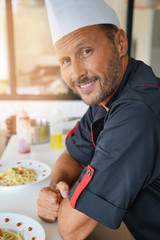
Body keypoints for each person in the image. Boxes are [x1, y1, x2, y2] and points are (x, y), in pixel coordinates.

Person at [37, 0, 160, 239]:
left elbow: (71, 229)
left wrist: (64, 204)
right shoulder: (109, 90)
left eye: (85, 51)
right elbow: (72, 155)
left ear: (120, 43)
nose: (76, 73)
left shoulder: (137, 112)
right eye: (65, 61)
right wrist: (56, 189)